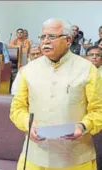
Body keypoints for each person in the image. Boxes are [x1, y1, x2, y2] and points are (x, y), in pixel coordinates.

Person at [10, 18, 102, 170]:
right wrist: (27, 123)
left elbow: (98, 110)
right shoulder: (29, 70)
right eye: (42, 37)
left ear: (68, 40)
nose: (45, 41)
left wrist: (83, 125)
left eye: (51, 37)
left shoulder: (87, 70)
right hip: (35, 154)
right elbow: (17, 108)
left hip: (74, 157)